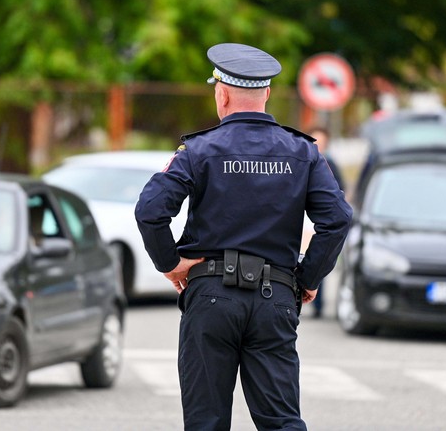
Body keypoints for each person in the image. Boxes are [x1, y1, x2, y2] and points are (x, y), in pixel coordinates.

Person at [134, 43, 353, 431]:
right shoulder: (302, 151)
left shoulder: (198, 150)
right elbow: (336, 219)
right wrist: (306, 279)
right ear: (266, 94)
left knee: (206, 422)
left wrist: (170, 265)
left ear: (221, 93)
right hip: (275, 300)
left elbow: (151, 211)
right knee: (282, 422)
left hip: (210, 298)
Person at [306, 125, 345, 319]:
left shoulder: (330, 164)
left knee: (319, 257)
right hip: (304, 221)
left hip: (319, 220)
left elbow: (339, 198)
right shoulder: (302, 161)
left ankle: (317, 304)